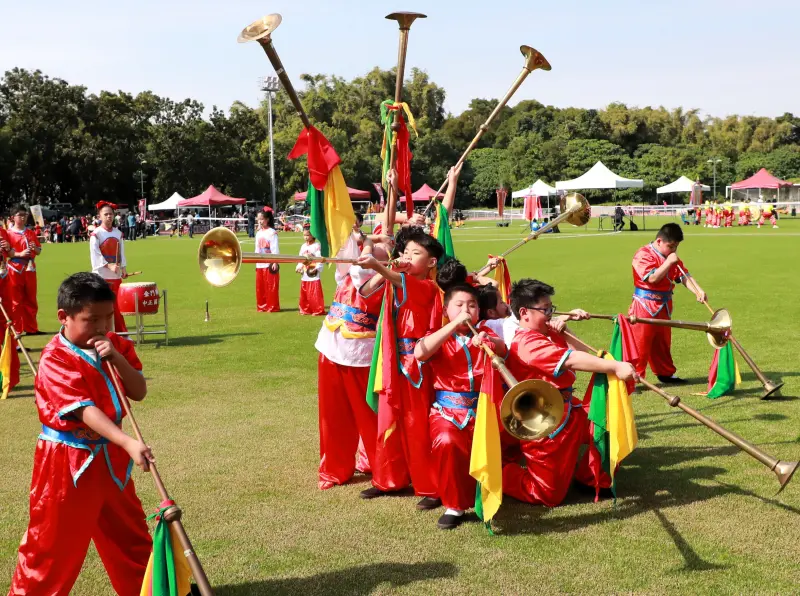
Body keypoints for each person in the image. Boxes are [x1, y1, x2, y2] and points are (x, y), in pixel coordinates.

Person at [8, 273, 153, 595]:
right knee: (51, 544)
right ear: (65, 316)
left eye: (108, 317)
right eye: (91, 320)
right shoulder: (55, 358)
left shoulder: (116, 345)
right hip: (68, 463)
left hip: (111, 461)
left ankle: (150, 590)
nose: (101, 327)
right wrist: (127, 441)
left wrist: (116, 358)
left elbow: (138, 391)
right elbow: (83, 410)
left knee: (130, 535)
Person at [502, 278, 635, 506]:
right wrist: (615, 366)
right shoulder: (526, 343)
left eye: (551, 308)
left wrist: (565, 331)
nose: (550, 314)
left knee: (610, 421)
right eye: (545, 309)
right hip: (545, 424)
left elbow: (584, 354)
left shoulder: (544, 334)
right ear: (524, 313)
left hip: (569, 411)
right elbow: (571, 360)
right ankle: (498, 473)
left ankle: (590, 479)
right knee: (547, 495)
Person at [357, 229, 444, 508]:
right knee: (387, 421)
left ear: (431, 262)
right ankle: (387, 479)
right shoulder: (395, 279)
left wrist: (381, 267)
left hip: (416, 366)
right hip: (392, 362)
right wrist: (382, 268)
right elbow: (365, 292)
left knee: (416, 426)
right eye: (405, 252)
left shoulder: (429, 287)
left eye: (415, 253)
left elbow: (401, 282)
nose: (407, 257)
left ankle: (430, 486)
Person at [414, 284, 505, 529]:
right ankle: (454, 506)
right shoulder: (439, 334)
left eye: (472, 305)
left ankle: (486, 495)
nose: (467, 310)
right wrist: (453, 325)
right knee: (447, 442)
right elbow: (419, 353)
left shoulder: (485, 331)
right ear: (446, 310)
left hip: (484, 409)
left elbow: (503, 349)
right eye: (460, 305)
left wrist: (488, 341)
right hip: (446, 412)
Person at [314, 236, 384, 490]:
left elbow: (362, 271)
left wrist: (370, 243)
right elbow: (344, 250)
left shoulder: (381, 276)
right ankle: (334, 469)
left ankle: (381, 468)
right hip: (330, 346)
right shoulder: (350, 268)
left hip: (360, 354)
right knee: (332, 417)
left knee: (369, 416)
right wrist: (359, 237)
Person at [629, 223, 706, 383]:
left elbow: (683, 275)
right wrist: (669, 262)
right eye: (670, 246)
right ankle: (633, 377)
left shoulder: (671, 258)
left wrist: (698, 291)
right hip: (644, 305)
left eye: (676, 246)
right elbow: (652, 278)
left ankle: (665, 373)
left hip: (664, 305)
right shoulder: (643, 254)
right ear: (659, 241)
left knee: (663, 341)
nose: (674, 250)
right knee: (640, 342)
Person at [90, 202, 128, 334]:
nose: (109, 216)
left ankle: (120, 333)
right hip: (101, 276)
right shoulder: (96, 234)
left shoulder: (118, 233)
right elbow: (95, 254)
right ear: (99, 216)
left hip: (115, 276)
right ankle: (103, 333)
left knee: (118, 306)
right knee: (103, 306)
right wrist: (109, 265)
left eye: (111, 214)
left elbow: (121, 252)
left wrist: (123, 268)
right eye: (105, 214)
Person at [7, 205, 42, 334]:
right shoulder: (9, 234)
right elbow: (7, 252)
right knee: (16, 300)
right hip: (15, 268)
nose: (23, 217)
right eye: (20, 215)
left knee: (31, 298)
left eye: (25, 215)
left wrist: (34, 248)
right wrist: (20, 254)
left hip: (30, 267)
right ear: (13, 217)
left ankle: (31, 328)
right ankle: (17, 328)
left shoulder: (30, 232)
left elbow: (38, 251)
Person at [255, 207, 280, 312]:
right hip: (260, 264)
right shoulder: (258, 233)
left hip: (269, 264)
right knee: (260, 287)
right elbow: (257, 249)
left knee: (271, 286)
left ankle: (272, 306)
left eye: (262, 219)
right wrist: (256, 262)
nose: (260, 221)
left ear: (267, 219)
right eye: (258, 219)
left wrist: (275, 262)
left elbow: (275, 248)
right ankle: (262, 305)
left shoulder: (272, 232)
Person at [296, 227, 325, 316]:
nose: (306, 237)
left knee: (314, 290)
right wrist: (299, 267)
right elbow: (300, 258)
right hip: (305, 271)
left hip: (313, 271)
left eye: (308, 235)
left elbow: (319, 258)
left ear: (312, 235)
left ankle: (317, 309)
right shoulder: (303, 246)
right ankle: (305, 309)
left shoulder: (316, 245)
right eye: (304, 235)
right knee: (305, 289)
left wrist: (317, 267)